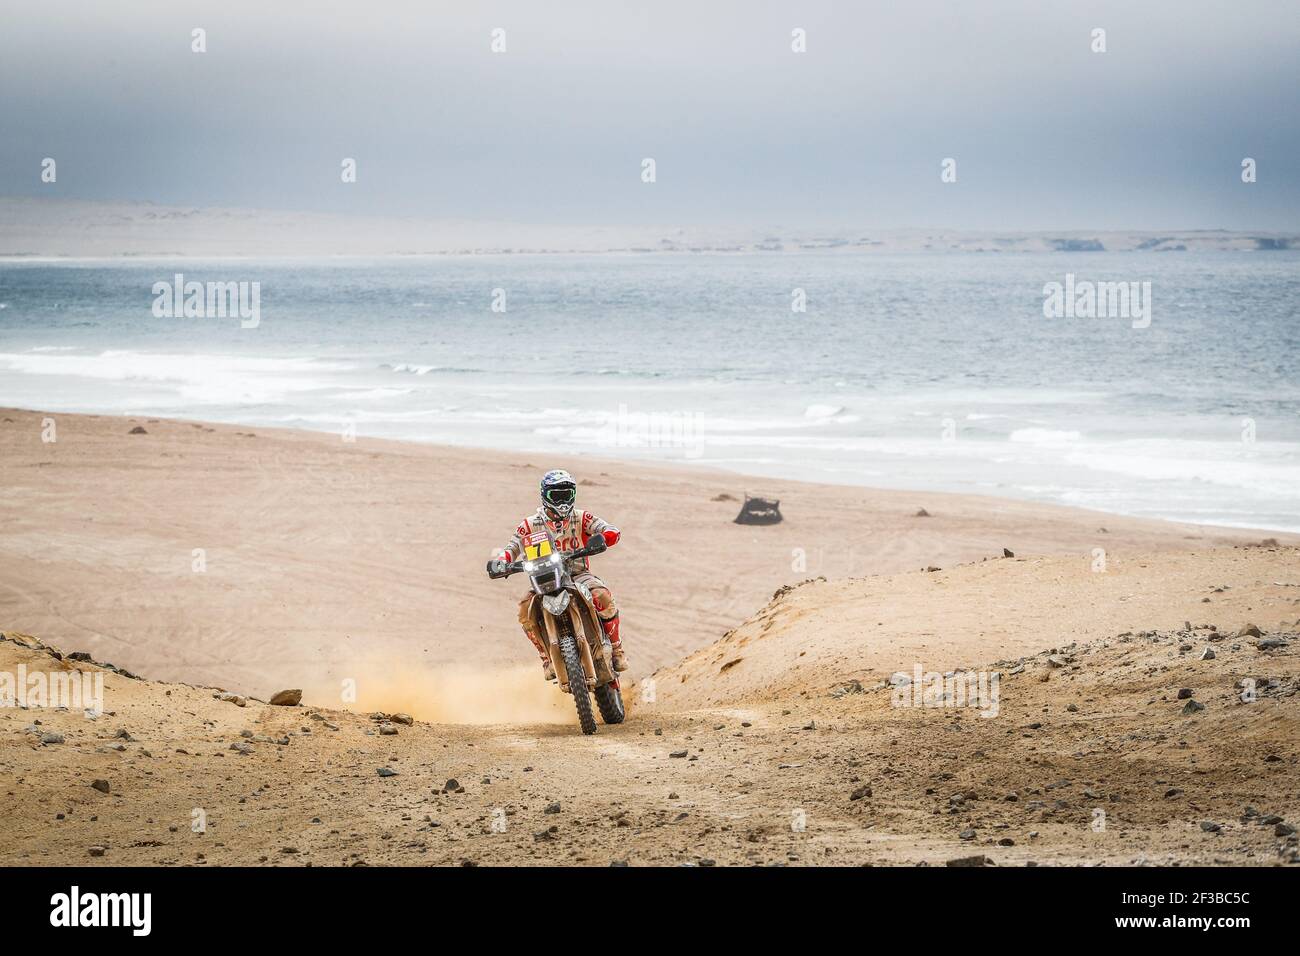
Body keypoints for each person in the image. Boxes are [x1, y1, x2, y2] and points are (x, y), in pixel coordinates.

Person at [489, 469, 627, 680]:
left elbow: (611, 530)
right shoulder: (529, 524)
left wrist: (603, 538)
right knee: (524, 611)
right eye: (557, 495)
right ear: (545, 496)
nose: (563, 500)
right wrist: (502, 562)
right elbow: (512, 547)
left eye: (567, 495)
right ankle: (546, 658)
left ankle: (617, 649)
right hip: (543, 578)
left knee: (602, 596)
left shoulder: (581, 517)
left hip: (578, 574)